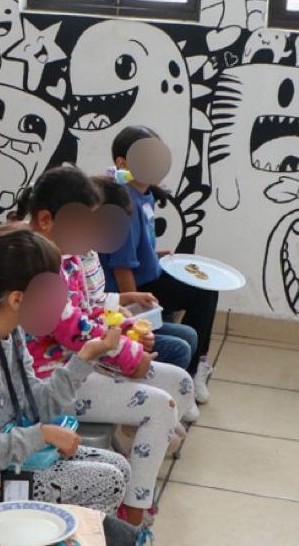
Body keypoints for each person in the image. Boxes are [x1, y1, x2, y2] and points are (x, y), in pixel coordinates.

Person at [16, 166, 194, 527]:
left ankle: (134, 467)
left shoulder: (67, 258)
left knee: (181, 383)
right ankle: (133, 513)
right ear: (47, 220)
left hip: (82, 364)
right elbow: (75, 330)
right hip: (51, 382)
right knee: (160, 407)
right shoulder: (36, 266)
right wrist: (131, 357)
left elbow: (91, 311)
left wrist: (130, 331)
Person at [0, 225, 134, 517]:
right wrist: (42, 435)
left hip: (10, 453)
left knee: (119, 467)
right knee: (108, 481)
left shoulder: (11, 329)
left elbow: (37, 405)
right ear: (16, 299)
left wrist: (85, 357)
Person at [100, 126, 218, 404]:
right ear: (123, 163)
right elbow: (121, 266)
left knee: (204, 286)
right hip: (133, 287)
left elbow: (135, 246)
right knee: (202, 294)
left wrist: (153, 255)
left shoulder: (145, 194)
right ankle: (190, 373)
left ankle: (197, 363)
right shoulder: (123, 202)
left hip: (147, 273)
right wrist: (135, 310)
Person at [91, 175, 199, 372]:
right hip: (100, 332)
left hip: (111, 317)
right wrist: (128, 325)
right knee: (180, 348)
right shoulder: (74, 260)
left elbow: (96, 300)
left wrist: (129, 301)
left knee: (188, 335)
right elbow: (82, 316)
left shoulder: (89, 254)